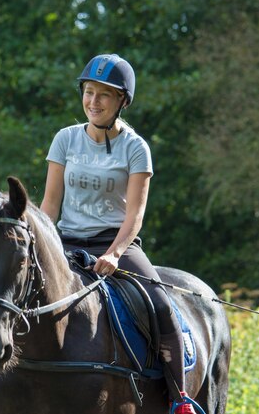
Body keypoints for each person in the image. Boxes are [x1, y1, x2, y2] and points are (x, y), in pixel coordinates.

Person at [40, 54, 197, 414]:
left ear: (121, 101)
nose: (93, 102)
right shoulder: (64, 140)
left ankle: (179, 398)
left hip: (115, 243)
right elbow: (49, 206)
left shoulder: (136, 148)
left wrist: (113, 253)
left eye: (104, 95)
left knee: (160, 306)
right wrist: (43, 242)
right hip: (65, 242)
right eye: (89, 92)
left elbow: (135, 213)